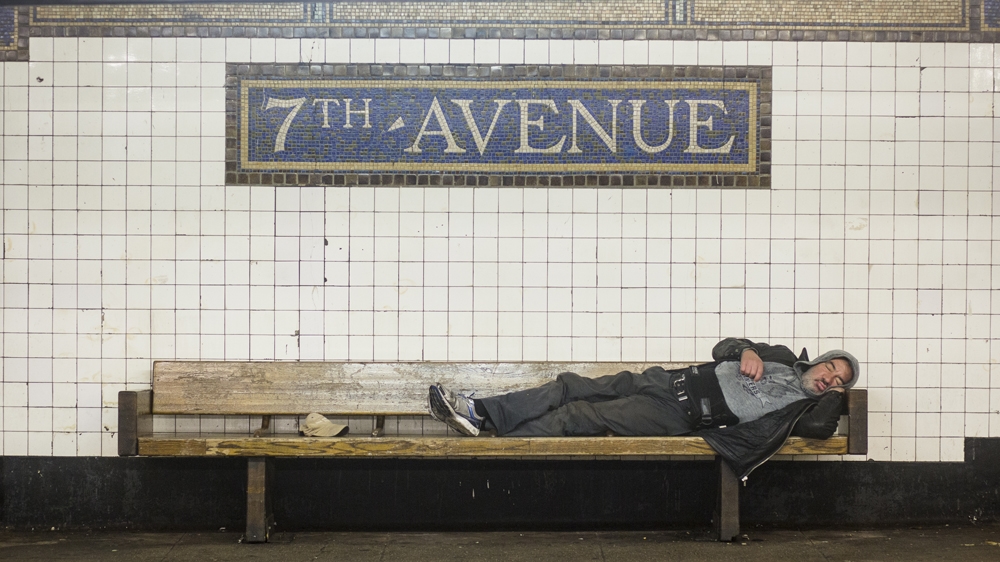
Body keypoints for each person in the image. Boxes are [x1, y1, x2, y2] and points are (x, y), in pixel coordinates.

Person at [428, 338, 860, 480]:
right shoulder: (781, 355)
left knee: (582, 417)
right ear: (820, 358)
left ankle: (490, 435)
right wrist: (746, 349)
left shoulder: (803, 408)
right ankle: (481, 412)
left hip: (680, 416)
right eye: (831, 367)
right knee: (572, 386)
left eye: (838, 380)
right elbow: (722, 347)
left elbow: (823, 428)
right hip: (669, 379)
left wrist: (831, 397)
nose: (830, 377)